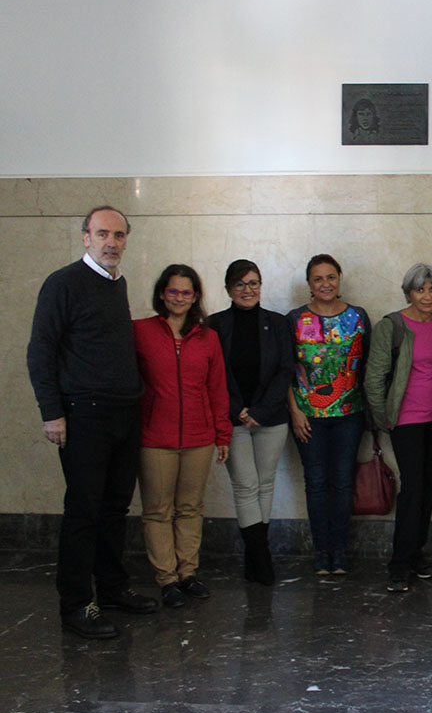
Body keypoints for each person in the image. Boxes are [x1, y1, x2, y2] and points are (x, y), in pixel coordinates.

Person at [27, 206, 158, 638]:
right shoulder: (63, 283)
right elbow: (41, 351)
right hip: (84, 415)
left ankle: (113, 589)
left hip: (124, 413)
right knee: (83, 511)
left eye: (119, 235)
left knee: (115, 509)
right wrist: (52, 413)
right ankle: (77, 604)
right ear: (85, 237)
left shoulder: (116, 284)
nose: (111, 242)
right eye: (102, 234)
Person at [133, 265, 232, 608]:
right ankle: (167, 579)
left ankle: (188, 573)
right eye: (172, 291)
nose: (178, 298)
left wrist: (222, 435)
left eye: (186, 292)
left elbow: (217, 389)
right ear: (162, 294)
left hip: (199, 437)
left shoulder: (209, 338)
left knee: (190, 508)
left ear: (195, 297)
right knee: (158, 511)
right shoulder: (140, 332)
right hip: (154, 438)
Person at [365, 263, 432, 593]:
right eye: (420, 289)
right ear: (408, 293)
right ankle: (399, 563)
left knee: (429, 487)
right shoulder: (392, 326)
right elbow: (374, 379)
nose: (427, 296)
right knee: (412, 488)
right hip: (407, 420)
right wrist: (385, 419)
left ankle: (417, 554)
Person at [209, 260, 294, 585]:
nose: (248, 290)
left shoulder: (277, 322)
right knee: (245, 485)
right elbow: (213, 375)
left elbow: (285, 369)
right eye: (241, 284)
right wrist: (239, 410)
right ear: (229, 288)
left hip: (270, 418)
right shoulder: (214, 325)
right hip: (232, 419)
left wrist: (260, 409)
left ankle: (255, 556)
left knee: (265, 483)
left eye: (254, 283)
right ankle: (260, 556)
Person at [287, 255, 372, 575]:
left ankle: (340, 552)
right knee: (316, 482)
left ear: (340, 279)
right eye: (318, 279)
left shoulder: (358, 316)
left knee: (342, 483)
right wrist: (294, 411)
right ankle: (322, 553)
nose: (326, 284)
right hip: (308, 416)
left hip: (350, 413)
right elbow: (287, 370)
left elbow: (366, 368)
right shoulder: (295, 319)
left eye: (331, 277)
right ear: (309, 284)